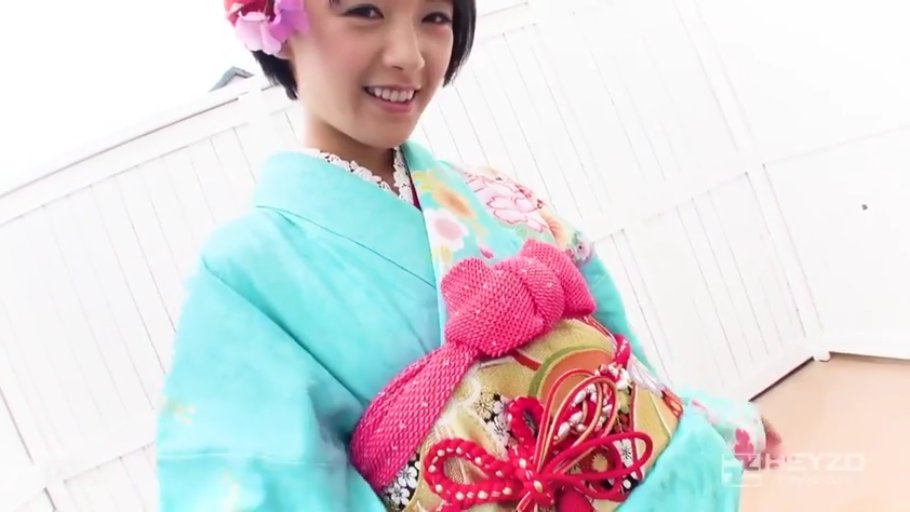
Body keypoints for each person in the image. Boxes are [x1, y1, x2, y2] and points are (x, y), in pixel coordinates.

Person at [156, 0, 785, 510]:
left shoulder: (496, 196)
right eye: (366, 11)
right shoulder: (242, 274)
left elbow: (620, 366)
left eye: (435, 16)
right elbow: (253, 489)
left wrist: (709, 422)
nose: (410, 56)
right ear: (278, 26)